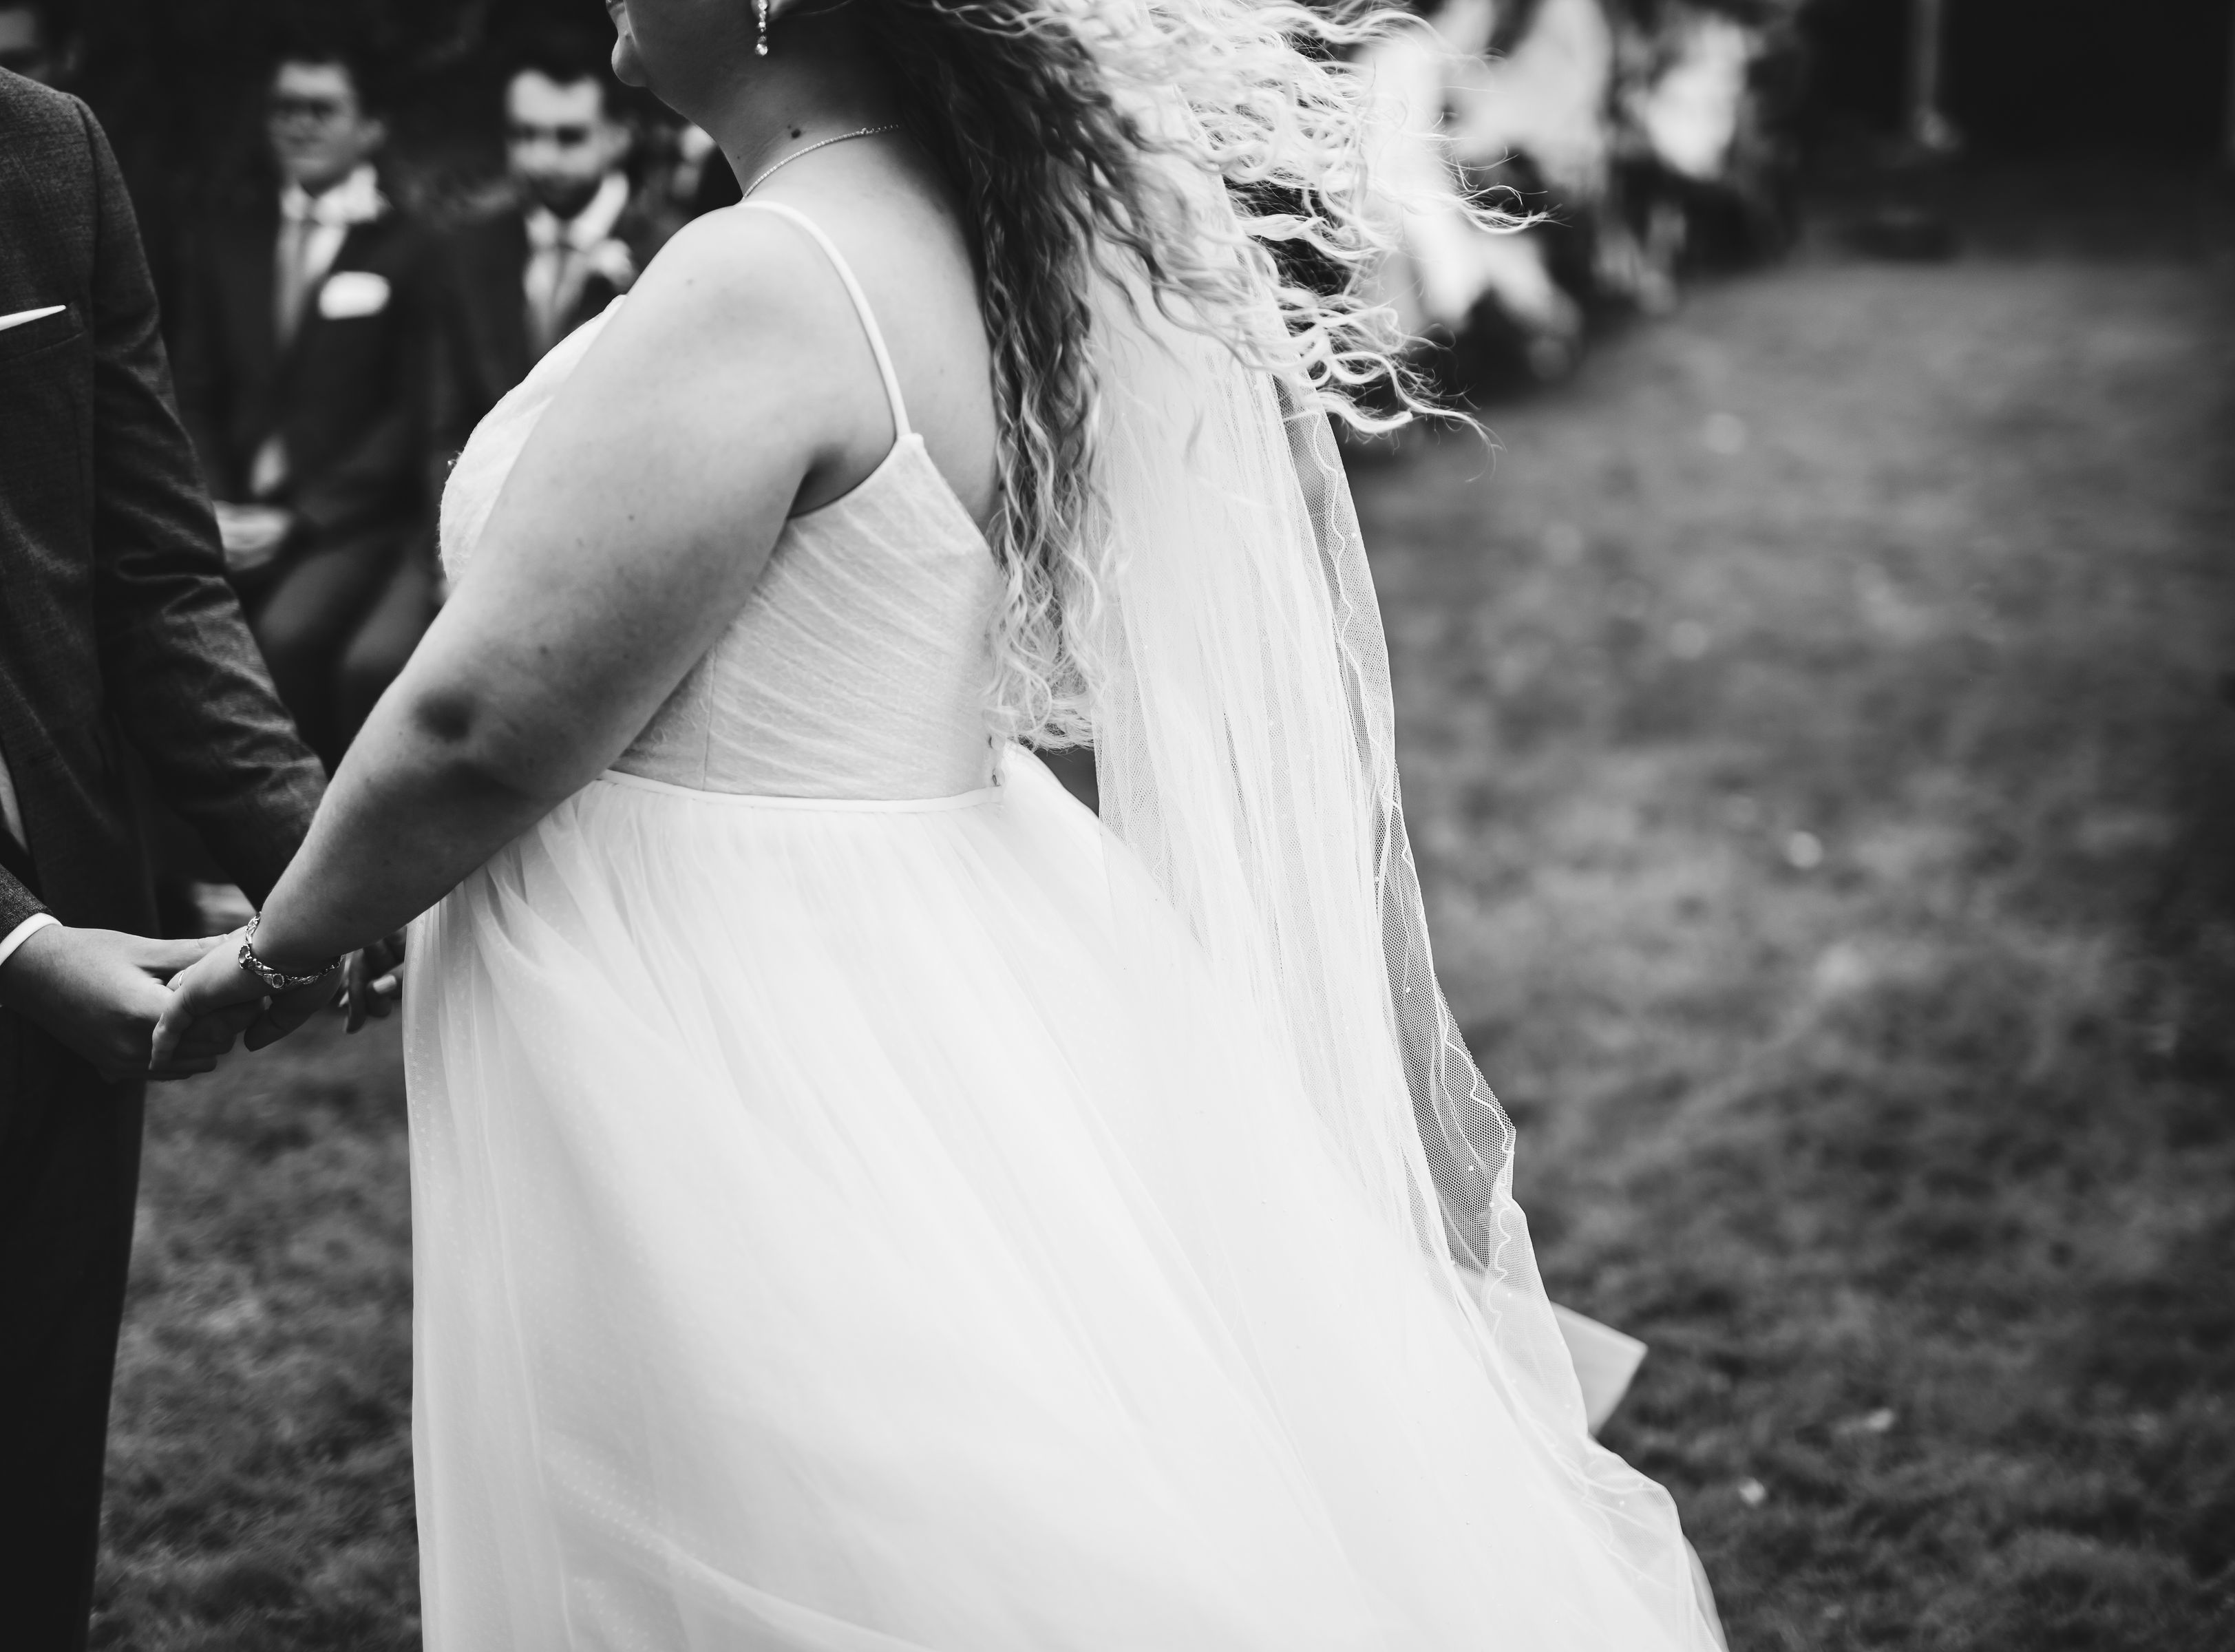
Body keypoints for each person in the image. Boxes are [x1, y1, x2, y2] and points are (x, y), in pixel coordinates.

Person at [155, 0, 1728, 1644]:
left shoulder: (776, 275)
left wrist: (277, 950)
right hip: (904, 923)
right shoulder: (951, 225)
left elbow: (488, 722)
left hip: (718, 1015)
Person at [0, 66, 334, 1652]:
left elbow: (148, 565)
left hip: (78, 960)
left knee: (33, 1470)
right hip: (33, 947)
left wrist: (322, 860)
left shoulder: (50, 152)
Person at [173, 39, 438, 768]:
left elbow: (413, 411)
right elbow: (191, 385)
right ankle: (180, 867)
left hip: (348, 518)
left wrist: (298, 519)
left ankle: (304, 842)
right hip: (227, 507)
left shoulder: (410, 246)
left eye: (321, 109)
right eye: (285, 108)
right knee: (153, 624)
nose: (299, 125)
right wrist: (215, 507)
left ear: (371, 127)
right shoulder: (226, 235)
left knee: (288, 635)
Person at [432, 35, 676, 460]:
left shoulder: (670, 253)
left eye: (569, 137)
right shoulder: (469, 247)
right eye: (525, 135)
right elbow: (442, 415)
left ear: (620, 137)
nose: (541, 159)